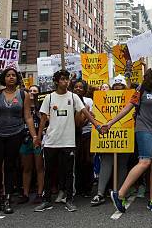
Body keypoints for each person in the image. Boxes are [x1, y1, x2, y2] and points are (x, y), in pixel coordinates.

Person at [107, 67, 152, 213]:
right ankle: (119, 194)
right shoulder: (142, 88)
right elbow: (128, 107)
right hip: (144, 128)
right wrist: (110, 123)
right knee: (145, 161)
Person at [33, 70, 101, 213]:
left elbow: (85, 112)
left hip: (69, 141)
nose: (66, 82)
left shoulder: (74, 96)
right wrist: (38, 138)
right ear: (57, 81)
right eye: (62, 79)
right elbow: (44, 118)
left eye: (67, 79)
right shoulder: (49, 98)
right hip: (51, 141)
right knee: (49, 172)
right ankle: (46, 201)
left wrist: (97, 126)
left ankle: (69, 200)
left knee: (69, 172)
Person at [0, 67, 39, 214]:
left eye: (13, 75)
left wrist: (34, 136)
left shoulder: (23, 94)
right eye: (8, 75)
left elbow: (27, 116)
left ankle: (7, 199)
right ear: (4, 78)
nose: (11, 77)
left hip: (16, 133)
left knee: (10, 166)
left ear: (17, 78)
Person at [91, 75, 131, 207]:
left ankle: (120, 192)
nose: (118, 88)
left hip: (125, 133)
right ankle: (100, 193)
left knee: (122, 163)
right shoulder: (102, 98)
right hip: (107, 134)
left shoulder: (130, 98)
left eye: (121, 86)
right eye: (115, 86)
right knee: (106, 161)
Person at [18, 84, 45, 205]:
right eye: (30, 91)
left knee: (39, 167)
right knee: (26, 168)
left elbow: (47, 121)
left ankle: (40, 193)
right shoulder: (22, 107)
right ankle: (25, 193)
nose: (32, 93)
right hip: (25, 140)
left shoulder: (42, 107)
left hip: (39, 140)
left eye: (35, 91)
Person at [74, 79, 95, 198]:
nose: (78, 89)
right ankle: (78, 187)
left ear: (84, 89)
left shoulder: (89, 101)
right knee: (77, 161)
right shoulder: (70, 99)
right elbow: (78, 122)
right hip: (74, 135)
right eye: (76, 87)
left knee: (88, 161)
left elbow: (89, 119)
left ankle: (88, 187)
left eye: (80, 87)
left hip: (87, 134)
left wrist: (86, 114)